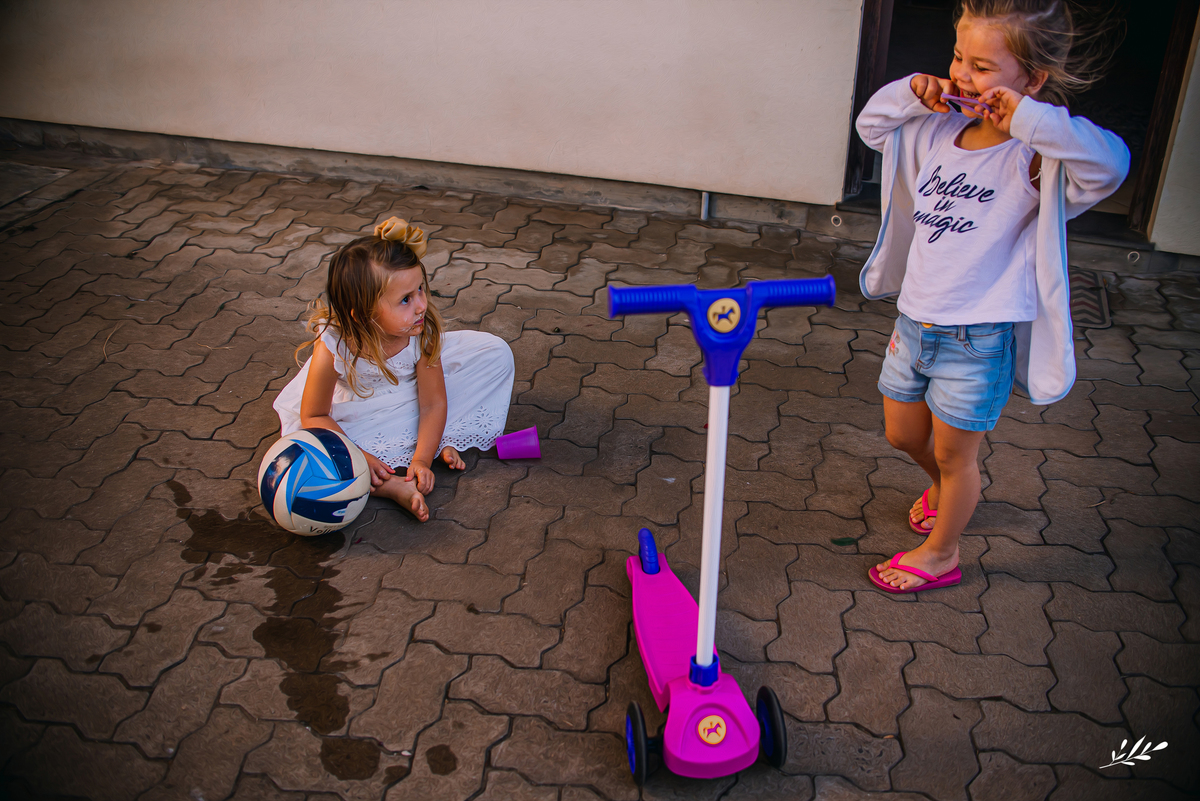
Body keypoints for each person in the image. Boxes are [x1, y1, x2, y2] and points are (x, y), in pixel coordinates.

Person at [856, 0, 1128, 591]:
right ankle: (949, 491)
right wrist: (912, 91)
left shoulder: (1035, 158)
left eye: (982, 66)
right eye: (958, 56)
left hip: (977, 339)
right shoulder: (937, 128)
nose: (961, 75)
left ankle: (941, 553)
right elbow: (872, 127)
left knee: (958, 457)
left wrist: (1030, 119)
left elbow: (1111, 164)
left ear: (1031, 81)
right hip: (914, 323)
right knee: (903, 434)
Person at [273, 217, 515, 522]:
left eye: (420, 291)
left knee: (495, 354)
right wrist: (359, 455)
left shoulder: (421, 331)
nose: (421, 306)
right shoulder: (335, 343)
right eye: (405, 299)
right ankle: (391, 487)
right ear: (363, 314)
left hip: (412, 398)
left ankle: (437, 441)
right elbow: (314, 415)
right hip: (359, 410)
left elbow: (433, 402)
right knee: (321, 451)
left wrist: (421, 460)